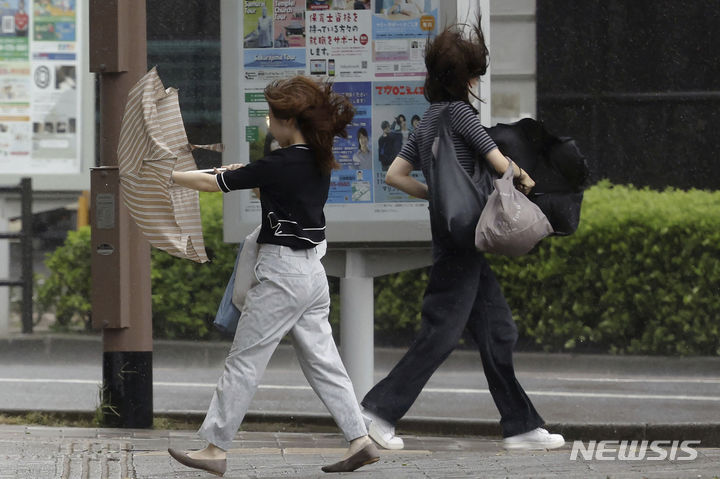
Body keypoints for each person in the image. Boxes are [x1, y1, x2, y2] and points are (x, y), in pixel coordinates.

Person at [360, 16, 566, 452]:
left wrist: (434, 195)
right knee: (439, 332)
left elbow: (395, 174)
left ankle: (521, 426)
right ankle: (377, 412)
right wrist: (527, 182)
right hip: (465, 239)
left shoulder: (427, 120)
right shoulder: (462, 115)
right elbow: (499, 164)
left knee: (497, 330)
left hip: (453, 237)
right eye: (475, 72)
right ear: (467, 78)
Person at [168, 76, 380, 476]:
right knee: (324, 362)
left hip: (282, 273)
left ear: (287, 122)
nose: (268, 122)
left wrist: (170, 176)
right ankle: (361, 439)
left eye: (271, 116)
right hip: (312, 272)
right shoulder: (317, 157)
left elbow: (214, 184)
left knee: (244, 361)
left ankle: (214, 449)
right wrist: (249, 173)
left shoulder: (280, 163)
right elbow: (267, 183)